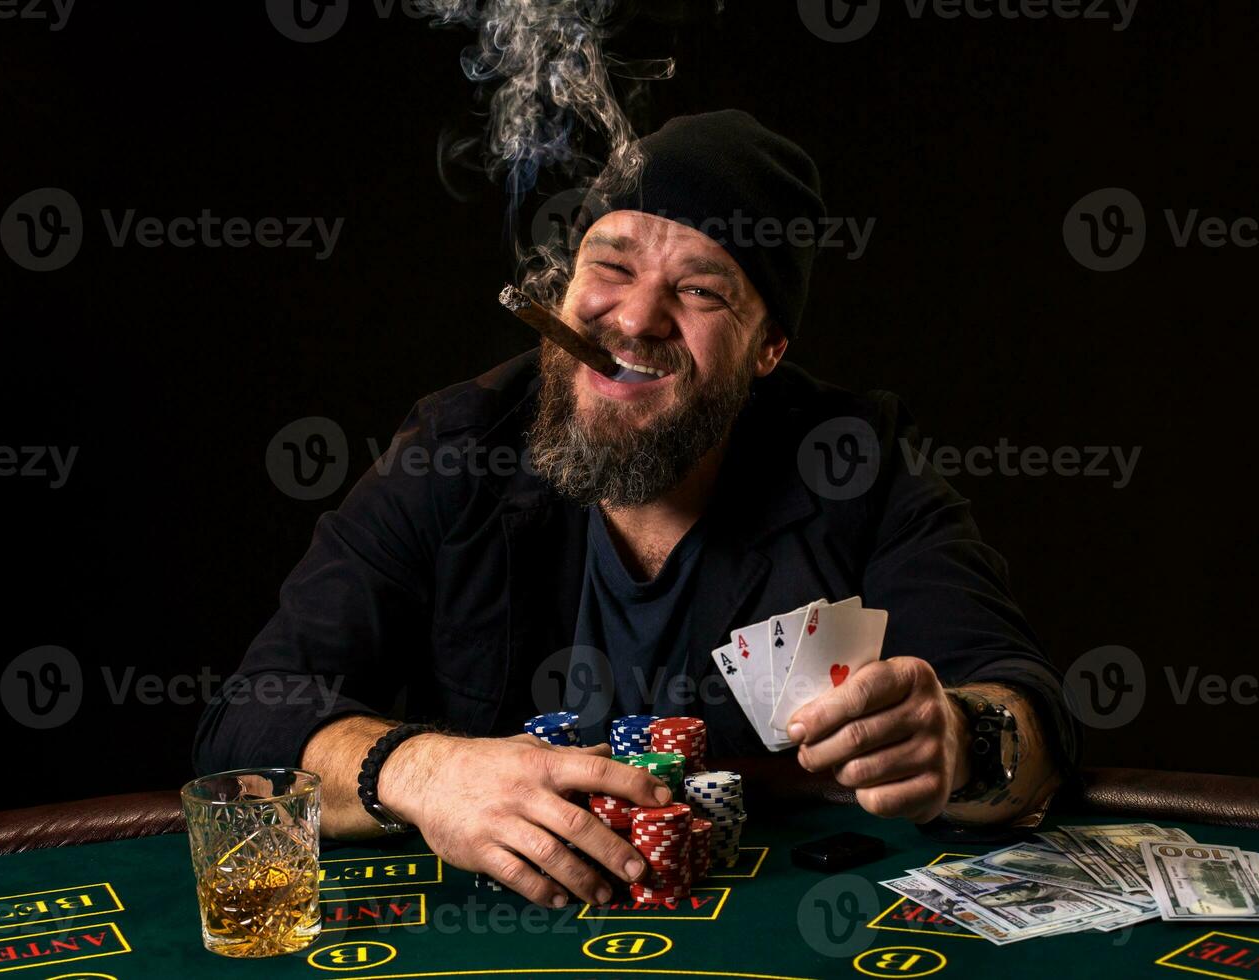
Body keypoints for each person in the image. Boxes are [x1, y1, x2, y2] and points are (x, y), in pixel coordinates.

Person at [194, 109, 1078, 909]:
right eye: (611, 265)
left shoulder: (853, 462)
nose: (638, 317)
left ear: (766, 348)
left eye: (700, 290)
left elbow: (1031, 713)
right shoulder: (453, 447)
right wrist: (424, 771)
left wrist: (963, 737)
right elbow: (245, 726)